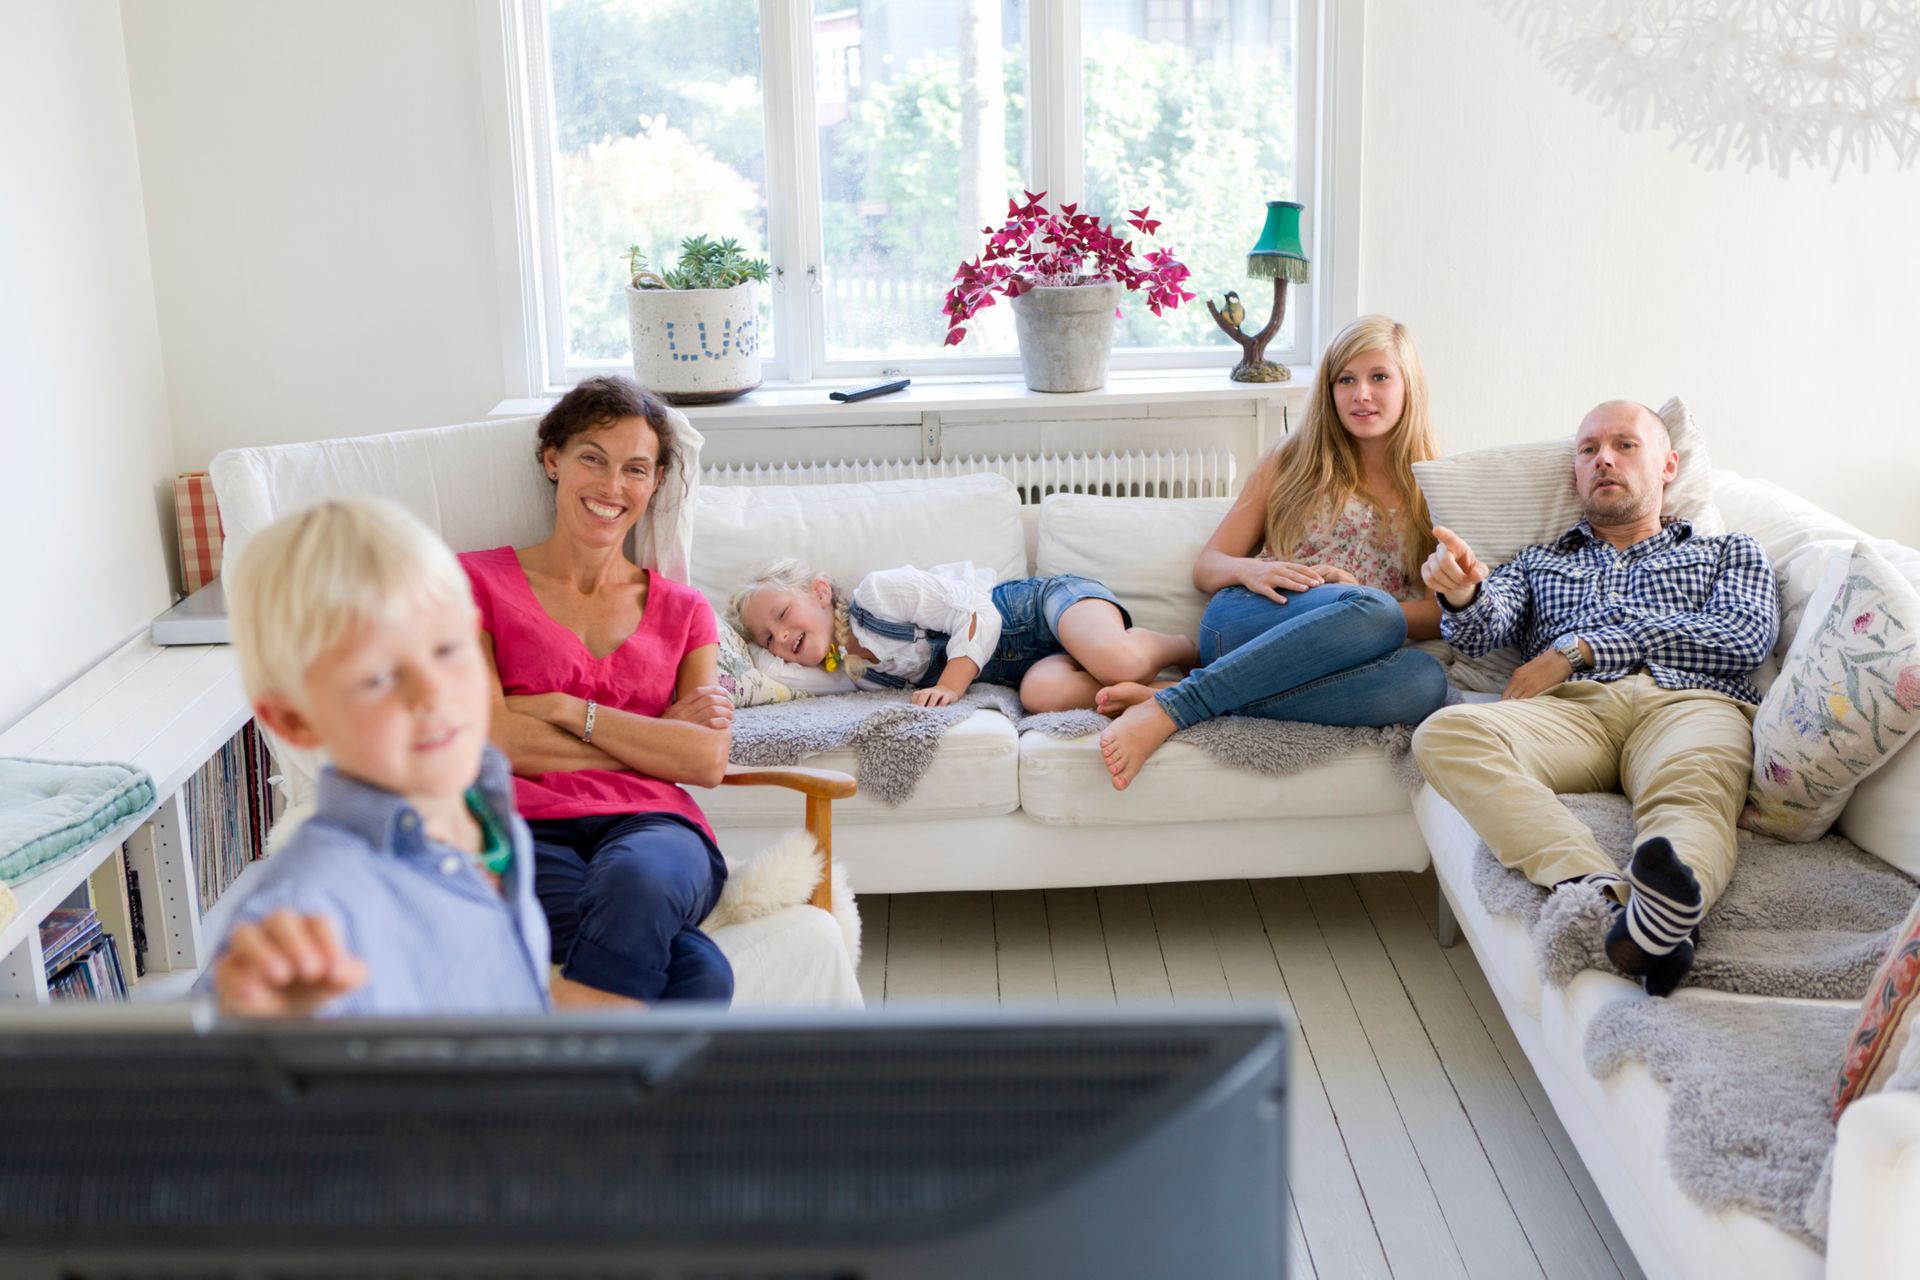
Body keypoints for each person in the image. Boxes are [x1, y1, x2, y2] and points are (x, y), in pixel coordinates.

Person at [1412, 400, 1778, 996]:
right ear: (1577, 474)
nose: (1603, 458)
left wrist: (1584, 647)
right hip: (1572, 714)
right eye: (1588, 450)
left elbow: (1742, 639)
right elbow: (1481, 632)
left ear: (1668, 465)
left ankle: (1662, 914)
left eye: (1625, 445)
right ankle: (1605, 896)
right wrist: (1461, 593)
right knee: (1443, 735)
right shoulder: (1539, 563)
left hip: (1688, 702)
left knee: (1690, 793)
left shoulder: (1727, 550)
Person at [203, 498, 551, 1017]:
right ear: (294, 720)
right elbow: (235, 1014)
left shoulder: (493, 814)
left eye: (447, 650)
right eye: (378, 677)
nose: (432, 693)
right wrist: (272, 1025)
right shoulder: (310, 904)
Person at [463, 376, 736, 1009]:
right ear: (552, 459)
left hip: (656, 827)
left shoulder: (686, 610)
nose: (612, 487)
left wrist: (564, 711)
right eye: (593, 458)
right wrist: (653, 739)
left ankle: (566, 1079)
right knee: (700, 977)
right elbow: (495, 738)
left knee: (640, 882)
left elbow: (704, 761)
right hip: (519, 826)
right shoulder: (471, 582)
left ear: (655, 483)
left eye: (635, 469)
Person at [1096, 314, 1453, 790]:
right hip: (1248, 621)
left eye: (1379, 377)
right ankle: (1178, 708)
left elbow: (1440, 610)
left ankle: (1178, 692)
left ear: (1409, 386)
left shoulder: (1431, 483)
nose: (1360, 394)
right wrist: (1250, 572)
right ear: (1329, 390)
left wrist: (1356, 616)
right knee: (1377, 611)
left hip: (1339, 657)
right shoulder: (1292, 458)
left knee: (1424, 681)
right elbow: (1209, 567)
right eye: (1345, 379)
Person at [730, 558, 1199, 713]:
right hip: (1031, 665)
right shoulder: (851, 675)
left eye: (783, 613)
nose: (780, 636)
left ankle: (1182, 645)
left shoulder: (879, 595)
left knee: (1115, 661)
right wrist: (750, 647)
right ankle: (1163, 689)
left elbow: (979, 612)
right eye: (767, 636)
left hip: (1043, 609)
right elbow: (766, 670)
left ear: (820, 592)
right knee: (1040, 695)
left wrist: (952, 684)